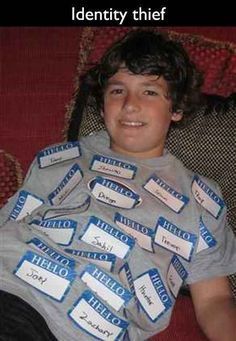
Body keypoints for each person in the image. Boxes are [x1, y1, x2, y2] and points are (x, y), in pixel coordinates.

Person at [0, 29, 236, 341]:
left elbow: (214, 301)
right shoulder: (58, 158)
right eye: (117, 91)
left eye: (149, 92)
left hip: (67, 326)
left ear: (176, 109)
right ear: (102, 106)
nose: (130, 105)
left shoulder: (201, 199)